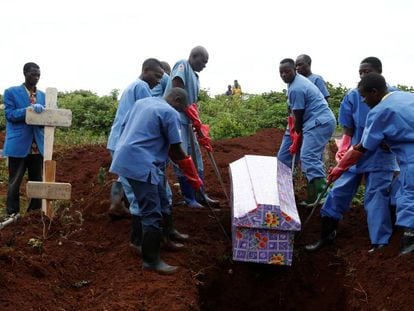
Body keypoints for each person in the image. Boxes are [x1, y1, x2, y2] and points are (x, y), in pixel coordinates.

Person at [305, 57, 398, 253]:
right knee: (339, 190)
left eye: (367, 72)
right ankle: (327, 234)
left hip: (381, 154)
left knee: (376, 197)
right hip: (356, 152)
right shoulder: (354, 95)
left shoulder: (393, 95)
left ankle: (380, 243)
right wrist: (344, 149)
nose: (363, 75)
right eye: (361, 72)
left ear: (379, 73)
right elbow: (348, 128)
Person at [110, 87, 203, 274]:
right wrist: (192, 175)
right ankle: (151, 260)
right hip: (141, 164)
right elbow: (176, 150)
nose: (180, 112)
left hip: (128, 157)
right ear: (176, 100)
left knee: (163, 200)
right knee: (151, 212)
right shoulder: (170, 112)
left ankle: (165, 239)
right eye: (182, 108)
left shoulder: (143, 102)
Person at [325, 73, 414, 256]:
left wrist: (339, 168)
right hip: (401, 158)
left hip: (409, 160)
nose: (363, 101)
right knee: (397, 192)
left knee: (408, 194)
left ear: (375, 92)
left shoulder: (379, 112)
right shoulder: (406, 96)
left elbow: (362, 148)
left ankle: (408, 244)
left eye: (365, 96)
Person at [107, 58, 163, 244]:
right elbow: (149, 115)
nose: (158, 81)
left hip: (118, 141)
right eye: (156, 76)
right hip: (126, 143)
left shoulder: (133, 86)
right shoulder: (142, 88)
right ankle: (137, 242)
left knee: (126, 179)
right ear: (146, 70)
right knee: (137, 192)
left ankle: (117, 206)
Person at [164, 46, 219, 208]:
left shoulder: (195, 76)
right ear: (194, 56)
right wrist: (189, 111)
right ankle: (189, 198)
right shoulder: (182, 65)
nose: (204, 65)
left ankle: (201, 194)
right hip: (176, 119)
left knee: (196, 158)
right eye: (203, 61)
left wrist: (196, 120)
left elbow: (192, 102)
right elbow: (177, 89)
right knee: (183, 157)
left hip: (188, 120)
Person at [277, 58, 336, 207]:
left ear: (294, 71)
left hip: (318, 122)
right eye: (281, 73)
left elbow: (299, 115)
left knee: (308, 155)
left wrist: (297, 135)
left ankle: (322, 195)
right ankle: (286, 193)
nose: (284, 75)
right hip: (305, 123)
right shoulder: (293, 85)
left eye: (287, 71)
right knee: (283, 158)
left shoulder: (297, 87)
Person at [2, 62, 45, 216]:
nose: (37, 77)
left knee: (37, 181)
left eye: (39, 75)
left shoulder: (43, 96)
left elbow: (48, 120)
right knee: (15, 181)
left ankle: (34, 213)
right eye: (34, 74)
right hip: (18, 145)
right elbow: (10, 115)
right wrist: (28, 111)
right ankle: (12, 214)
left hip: (37, 146)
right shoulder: (11, 92)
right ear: (25, 73)